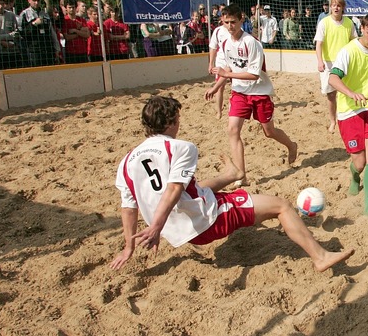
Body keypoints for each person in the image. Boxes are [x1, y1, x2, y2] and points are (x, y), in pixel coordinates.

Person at [110, 96, 354, 273]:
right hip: (205, 223)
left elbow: (128, 209)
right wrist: (154, 227)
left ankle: (232, 173)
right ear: (172, 121)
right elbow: (174, 190)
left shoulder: (126, 162)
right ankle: (320, 257)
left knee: (193, 186)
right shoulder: (181, 147)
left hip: (176, 230)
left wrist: (128, 247)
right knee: (281, 206)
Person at [204, 4, 298, 187]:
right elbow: (228, 69)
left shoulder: (252, 43)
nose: (230, 26)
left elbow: (253, 75)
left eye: (233, 22)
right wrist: (216, 87)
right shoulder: (225, 43)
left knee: (269, 132)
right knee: (232, 130)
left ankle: (291, 145)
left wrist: (227, 75)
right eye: (226, 22)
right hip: (239, 92)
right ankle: (242, 175)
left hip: (260, 92)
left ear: (241, 20)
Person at [327, 12, 368, 222]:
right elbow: (333, 78)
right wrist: (351, 93)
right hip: (349, 111)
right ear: (362, 28)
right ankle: (354, 175)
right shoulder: (348, 52)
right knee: (360, 163)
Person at [314, 0, 357, 133]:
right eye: (333, 5)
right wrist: (320, 61)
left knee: (345, 92)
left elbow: (354, 42)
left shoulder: (349, 23)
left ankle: (347, 118)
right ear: (330, 7)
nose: (336, 8)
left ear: (343, 7)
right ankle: (333, 121)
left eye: (338, 5)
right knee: (331, 95)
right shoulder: (324, 23)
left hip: (344, 62)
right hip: (329, 63)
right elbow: (319, 44)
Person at [19, 0, 61, 67]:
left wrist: (57, 48)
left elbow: (52, 33)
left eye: (38, 1)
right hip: (33, 51)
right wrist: (34, 24)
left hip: (47, 50)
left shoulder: (45, 14)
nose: (36, 3)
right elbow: (22, 33)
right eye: (34, 1)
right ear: (29, 0)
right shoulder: (24, 14)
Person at [0, 0, 22, 70]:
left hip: (12, 50)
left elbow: (16, 32)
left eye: (2, 4)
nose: (1, 6)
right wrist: (1, 42)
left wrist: (0, 38)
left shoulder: (11, 15)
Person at [207, 16, 230, 119]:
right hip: (221, 63)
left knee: (236, 87)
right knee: (220, 87)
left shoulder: (237, 30)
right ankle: (219, 112)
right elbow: (213, 47)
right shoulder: (218, 31)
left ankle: (233, 110)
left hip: (233, 63)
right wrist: (211, 63)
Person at [62, 0, 90, 64]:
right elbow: (67, 37)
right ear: (66, 8)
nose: (71, 9)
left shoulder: (81, 20)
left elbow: (87, 34)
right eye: (69, 7)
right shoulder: (64, 20)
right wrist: (80, 33)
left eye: (73, 7)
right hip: (71, 52)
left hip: (83, 51)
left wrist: (76, 31)